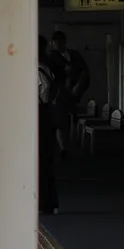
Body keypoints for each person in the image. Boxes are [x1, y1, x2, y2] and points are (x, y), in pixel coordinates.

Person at [47, 30, 90, 157]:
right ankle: (62, 147)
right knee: (61, 122)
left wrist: (77, 86)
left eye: (62, 41)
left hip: (72, 94)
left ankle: (65, 146)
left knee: (68, 120)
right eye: (57, 42)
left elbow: (84, 72)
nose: (60, 44)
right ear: (52, 43)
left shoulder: (73, 55)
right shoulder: (51, 57)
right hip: (59, 94)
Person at [38, 35, 60, 215]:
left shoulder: (36, 70)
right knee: (46, 160)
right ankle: (49, 202)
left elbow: (43, 95)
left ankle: (43, 202)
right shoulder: (45, 68)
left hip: (39, 117)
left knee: (40, 160)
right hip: (46, 116)